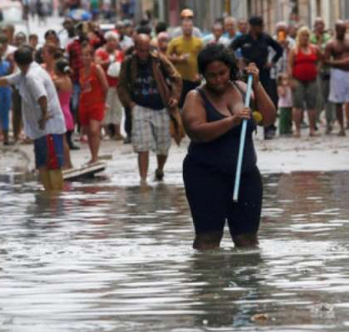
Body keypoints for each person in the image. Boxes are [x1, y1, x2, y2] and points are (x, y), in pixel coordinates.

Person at [181, 44, 276, 250]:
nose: (218, 80)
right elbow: (196, 131)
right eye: (211, 75)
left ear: (230, 69)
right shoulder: (195, 97)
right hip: (205, 176)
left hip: (246, 174)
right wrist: (231, 121)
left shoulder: (244, 88)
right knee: (208, 239)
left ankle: (248, 279)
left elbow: (268, 118)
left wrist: (257, 85)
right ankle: (210, 280)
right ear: (203, 74)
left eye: (222, 73)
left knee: (247, 240)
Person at [0, 46, 67, 191]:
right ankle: (49, 197)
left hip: (49, 127)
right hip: (41, 130)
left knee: (52, 165)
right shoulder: (26, 72)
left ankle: (55, 197)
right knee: (42, 164)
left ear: (17, 62)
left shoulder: (31, 76)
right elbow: (5, 80)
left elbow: (42, 97)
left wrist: (44, 115)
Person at [117, 34, 182, 183]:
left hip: (161, 106)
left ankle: (159, 170)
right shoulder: (128, 62)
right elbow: (121, 86)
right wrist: (130, 104)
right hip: (139, 106)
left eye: (146, 50)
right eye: (141, 50)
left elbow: (176, 77)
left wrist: (174, 97)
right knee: (142, 145)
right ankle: (143, 180)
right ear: (135, 48)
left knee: (163, 144)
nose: (144, 54)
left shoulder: (158, 59)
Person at [229, 16, 283, 140]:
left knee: (269, 97)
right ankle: (247, 126)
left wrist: (272, 62)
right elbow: (229, 50)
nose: (261, 28)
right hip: (246, 74)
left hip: (263, 72)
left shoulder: (265, 38)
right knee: (246, 100)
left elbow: (279, 50)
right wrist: (238, 61)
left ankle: (269, 128)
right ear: (253, 27)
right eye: (259, 26)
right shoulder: (243, 39)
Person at [288, 27, 321, 137]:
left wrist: (318, 68)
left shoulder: (314, 49)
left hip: (312, 80)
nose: (305, 38)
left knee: (311, 105)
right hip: (298, 81)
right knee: (298, 105)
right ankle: (297, 129)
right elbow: (289, 66)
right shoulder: (294, 50)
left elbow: (321, 59)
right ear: (299, 37)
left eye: (307, 36)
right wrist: (290, 80)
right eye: (303, 35)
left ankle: (312, 129)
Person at [78, 43, 108, 164]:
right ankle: (92, 155)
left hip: (96, 102)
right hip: (84, 103)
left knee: (95, 130)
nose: (85, 58)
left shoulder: (97, 68)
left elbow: (105, 86)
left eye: (87, 55)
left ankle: (95, 156)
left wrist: (103, 102)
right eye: (83, 55)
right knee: (88, 131)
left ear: (91, 56)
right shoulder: (81, 71)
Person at [167, 16, 204, 108]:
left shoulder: (199, 42)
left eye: (189, 26)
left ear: (193, 27)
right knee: (180, 104)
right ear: (181, 28)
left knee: (194, 103)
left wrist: (200, 74)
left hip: (194, 78)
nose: (187, 28)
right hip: (180, 79)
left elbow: (203, 58)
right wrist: (179, 59)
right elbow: (166, 58)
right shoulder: (175, 42)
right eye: (185, 26)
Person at [95, 31, 124, 140]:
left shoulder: (119, 53)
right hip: (105, 85)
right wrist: (108, 61)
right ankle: (106, 132)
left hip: (117, 85)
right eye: (109, 40)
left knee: (117, 108)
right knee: (106, 108)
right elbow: (97, 64)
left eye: (114, 41)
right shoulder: (100, 52)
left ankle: (117, 132)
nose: (112, 43)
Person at [311, 18, 334, 133]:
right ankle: (314, 121)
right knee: (317, 98)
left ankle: (330, 122)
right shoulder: (310, 38)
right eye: (317, 24)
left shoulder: (328, 38)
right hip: (314, 71)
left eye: (321, 24)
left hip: (327, 70)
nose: (319, 26)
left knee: (329, 97)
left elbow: (328, 53)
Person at [53, 60, 74, 170]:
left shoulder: (58, 82)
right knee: (65, 140)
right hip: (67, 111)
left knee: (63, 140)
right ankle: (68, 162)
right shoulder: (68, 80)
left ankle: (67, 163)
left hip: (60, 112)